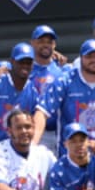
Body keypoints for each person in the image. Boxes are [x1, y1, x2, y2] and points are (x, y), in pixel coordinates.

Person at [34, 39, 95, 154]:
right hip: (69, 158)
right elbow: (42, 112)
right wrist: (32, 147)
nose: (94, 60)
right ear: (81, 58)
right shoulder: (65, 81)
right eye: (89, 56)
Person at [0, 42, 39, 152]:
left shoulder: (32, 90)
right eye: (21, 62)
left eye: (28, 62)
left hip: (15, 153)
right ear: (12, 62)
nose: (25, 65)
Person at [28, 25, 66, 153]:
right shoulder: (24, 69)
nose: (46, 45)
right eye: (41, 41)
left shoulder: (63, 71)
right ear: (32, 43)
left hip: (57, 132)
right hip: (31, 131)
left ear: (54, 45)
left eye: (49, 42)